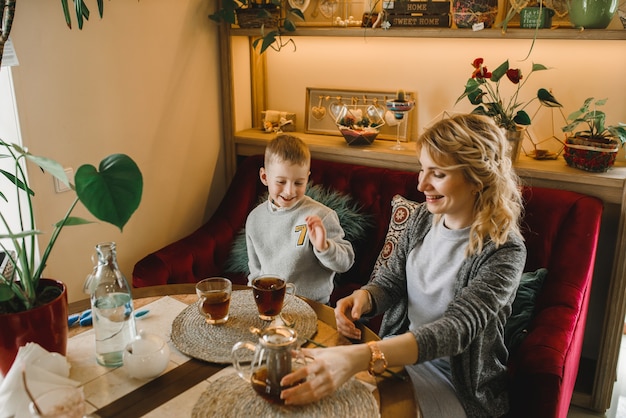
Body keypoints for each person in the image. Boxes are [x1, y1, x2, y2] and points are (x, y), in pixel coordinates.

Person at [279, 114, 527, 417]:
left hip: (455, 384)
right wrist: (365, 298)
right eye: (423, 169)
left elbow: (456, 329)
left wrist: (358, 357)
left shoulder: (505, 250)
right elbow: (392, 282)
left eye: (437, 174)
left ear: (477, 179)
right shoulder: (422, 218)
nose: (421, 183)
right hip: (395, 356)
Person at [245, 134, 355, 304]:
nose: (289, 191)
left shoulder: (321, 216)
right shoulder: (254, 219)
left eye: (298, 183)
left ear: (307, 178)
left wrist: (324, 247)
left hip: (313, 306)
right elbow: (255, 271)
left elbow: (345, 263)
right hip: (271, 305)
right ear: (265, 177)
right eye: (281, 182)